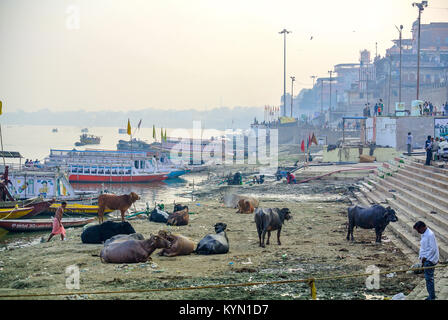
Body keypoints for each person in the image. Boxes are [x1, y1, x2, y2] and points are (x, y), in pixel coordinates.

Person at [413, 221, 439, 300]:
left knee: (429, 279)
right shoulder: (424, 234)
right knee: (428, 279)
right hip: (425, 259)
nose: (418, 232)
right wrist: (421, 257)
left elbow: (433, 249)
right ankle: (431, 296)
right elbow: (424, 247)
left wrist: (425, 258)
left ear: (422, 227)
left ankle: (431, 297)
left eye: (418, 230)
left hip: (430, 260)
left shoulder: (430, 234)